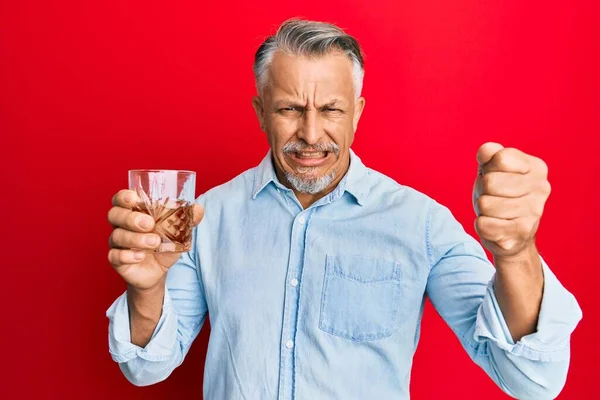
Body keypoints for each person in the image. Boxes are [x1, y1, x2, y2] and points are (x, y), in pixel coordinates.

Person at [106, 19, 582, 399]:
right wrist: (146, 290)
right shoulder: (205, 218)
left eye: (331, 110)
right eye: (290, 109)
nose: (311, 134)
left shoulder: (422, 223)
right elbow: (146, 369)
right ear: (260, 112)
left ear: (357, 112)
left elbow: (530, 379)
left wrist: (517, 252)